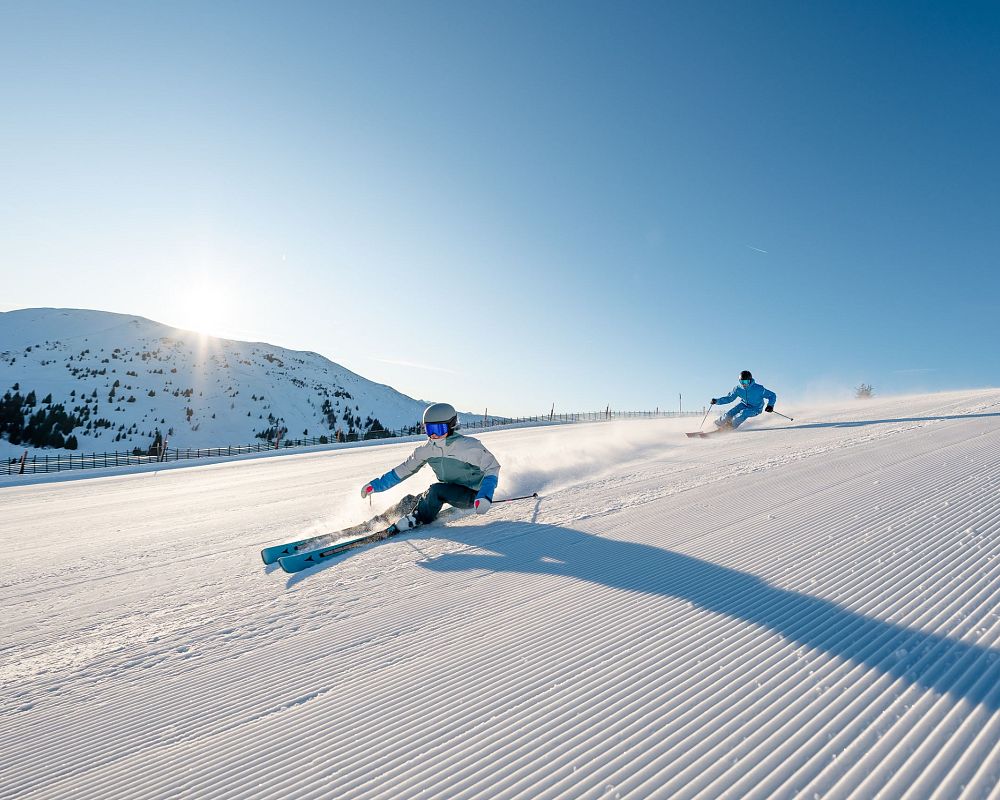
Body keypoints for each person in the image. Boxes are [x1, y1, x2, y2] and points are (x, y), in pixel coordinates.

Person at [360, 402, 500, 531]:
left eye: (439, 429)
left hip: (473, 494)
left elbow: (492, 468)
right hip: (450, 488)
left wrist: (485, 495)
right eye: (429, 429)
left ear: (451, 426)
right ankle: (383, 519)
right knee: (412, 499)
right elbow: (404, 470)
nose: (433, 435)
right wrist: (376, 485)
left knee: (435, 491)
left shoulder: (468, 446)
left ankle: (417, 518)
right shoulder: (426, 450)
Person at [710, 370, 777, 430]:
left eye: (746, 381)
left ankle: (729, 426)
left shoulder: (759, 389)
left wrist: (770, 405)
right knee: (730, 413)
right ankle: (716, 425)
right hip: (743, 404)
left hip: (755, 408)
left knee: (743, 413)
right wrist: (717, 401)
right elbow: (729, 398)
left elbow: (772, 395)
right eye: (741, 381)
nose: (743, 384)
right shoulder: (738, 389)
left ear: (750, 380)